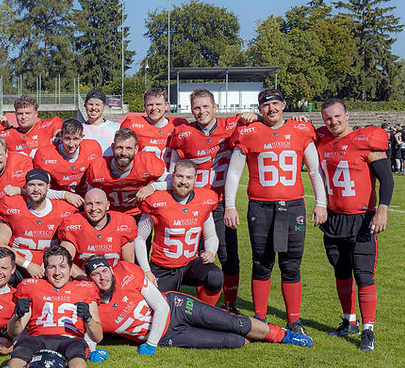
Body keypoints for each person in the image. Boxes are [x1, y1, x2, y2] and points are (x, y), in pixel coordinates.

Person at [224, 88, 327, 334]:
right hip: (261, 206)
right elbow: (235, 172)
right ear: (260, 109)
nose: (271, 109)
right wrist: (229, 205)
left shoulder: (300, 129)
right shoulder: (248, 132)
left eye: (275, 103)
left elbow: (314, 170)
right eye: (266, 105)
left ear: (283, 105)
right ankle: (260, 319)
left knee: (291, 265)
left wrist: (321, 202)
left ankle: (294, 320)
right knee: (262, 263)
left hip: (293, 206)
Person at [84, 257, 312, 353]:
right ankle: (253, 335)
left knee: (236, 322)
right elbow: (89, 333)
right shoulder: (92, 303)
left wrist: (151, 343)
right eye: (96, 274)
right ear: (90, 279)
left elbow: (161, 307)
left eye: (105, 271)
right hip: (168, 335)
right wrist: (91, 352)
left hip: (175, 307)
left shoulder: (127, 273)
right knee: (235, 341)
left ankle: (284, 336)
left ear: (112, 270)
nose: (103, 277)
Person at [315, 99, 393, 352]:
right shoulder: (321, 140)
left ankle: (368, 329)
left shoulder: (365, 140)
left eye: (337, 117)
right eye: (328, 118)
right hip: (334, 218)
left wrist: (382, 210)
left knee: (363, 274)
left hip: (362, 218)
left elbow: (386, 178)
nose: (333, 122)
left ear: (347, 115)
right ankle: (349, 322)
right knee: (341, 272)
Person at [168, 89, 251, 312]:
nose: (201, 111)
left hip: (221, 202)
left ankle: (231, 304)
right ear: (191, 109)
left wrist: (255, 116)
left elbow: (262, 121)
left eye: (206, 106)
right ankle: (198, 304)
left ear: (215, 107)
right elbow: (173, 169)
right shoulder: (183, 133)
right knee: (192, 254)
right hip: (193, 203)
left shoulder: (231, 127)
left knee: (227, 254)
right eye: (197, 107)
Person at [0, 246, 101, 368]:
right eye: (52, 267)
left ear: (70, 268)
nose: (57, 272)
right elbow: (13, 332)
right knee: (22, 349)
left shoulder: (85, 288)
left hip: (70, 339)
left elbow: (98, 336)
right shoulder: (31, 286)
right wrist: (17, 315)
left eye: (62, 266)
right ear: (45, 269)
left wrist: (88, 318)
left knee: (77, 351)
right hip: (38, 339)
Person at [135, 160, 222, 304]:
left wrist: (211, 251)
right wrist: (146, 270)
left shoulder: (204, 200)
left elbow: (211, 236)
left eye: (189, 178)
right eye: (179, 176)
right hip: (163, 268)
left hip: (190, 264)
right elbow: (140, 238)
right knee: (162, 310)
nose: (183, 182)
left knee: (214, 276)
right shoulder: (157, 201)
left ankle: (204, 311)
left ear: (195, 179)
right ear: (172, 176)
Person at [0, 169, 76, 280]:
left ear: (48, 187)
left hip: (49, 268)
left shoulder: (64, 210)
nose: (36, 189)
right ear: (25, 187)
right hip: (17, 266)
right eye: (32, 185)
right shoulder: (11, 205)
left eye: (40, 185)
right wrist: (27, 265)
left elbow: (67, 254)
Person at [83, 128, 166, 217]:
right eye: (119, 147)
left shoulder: (147, 162)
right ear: (112, 147)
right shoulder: (97, 167)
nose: (123, 152)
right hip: (109, 215)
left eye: (128, 148)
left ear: (136, 149)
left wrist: (153, 187)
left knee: (158, 197)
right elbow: (90, 196)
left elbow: (172, 182)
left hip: (139, 212)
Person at [59, 187, 136, 276]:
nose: (94, 208)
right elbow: (66, 262)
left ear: (107, 205)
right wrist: (87, 281)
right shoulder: (73, 224)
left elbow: (128, 265)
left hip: (114, 278)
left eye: (98, 203)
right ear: (84, 206)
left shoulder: (123, 223)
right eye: (89, 204)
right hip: (83, 279)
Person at [33, 118, 101, 197]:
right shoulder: (44, 154)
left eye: (75, 139)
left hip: (86, 197)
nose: (71, 144)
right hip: (59, 199)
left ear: (82, 137)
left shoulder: (93, 148)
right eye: (67, 139)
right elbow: (38, 190)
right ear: (61, 136)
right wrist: (64, 195)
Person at [120, 87, 187, 164]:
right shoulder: (132, 123)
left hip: (171, 174)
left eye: (158, 104)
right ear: (145, 106)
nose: (154, 108)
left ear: (166, 105)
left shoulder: (179, 124)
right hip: (143, 174)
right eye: (150, 105)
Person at [80, 89, 119, 156]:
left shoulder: (116, 128)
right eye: (90, 104)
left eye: (97, 105)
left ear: (104, 107)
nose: (94, 108)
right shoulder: (79, 129)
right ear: (85, 106)